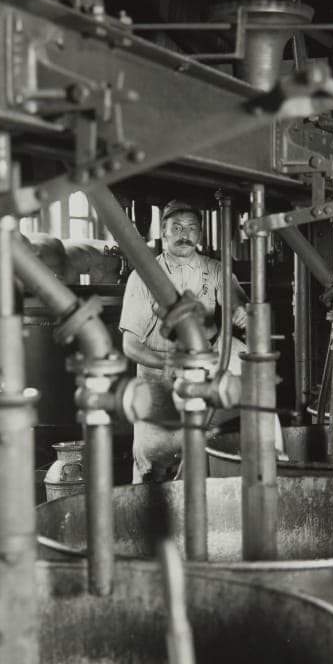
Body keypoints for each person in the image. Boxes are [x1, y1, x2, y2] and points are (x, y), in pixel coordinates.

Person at [119, 200, 248, 482]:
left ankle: (205, 505)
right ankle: (147, 515)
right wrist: (171, 364)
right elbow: (130, 346)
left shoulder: (215, 269)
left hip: (204, 373)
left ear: (200, 235)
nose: (184, 234)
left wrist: (241, 312)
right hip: (157, 377)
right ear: (163, 234)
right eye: (176, 228)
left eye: (191, 228)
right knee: (151, 454)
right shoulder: (142, 277)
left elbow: (240, 302)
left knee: (210, 445)